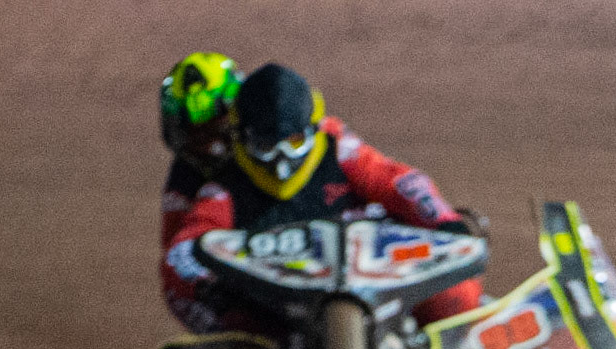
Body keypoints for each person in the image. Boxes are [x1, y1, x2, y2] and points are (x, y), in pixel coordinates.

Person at [160, 63, 483, 335]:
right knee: (236, 337)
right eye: (266, 145)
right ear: (242, 135)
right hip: (280, 300)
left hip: (376, 268)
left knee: (458, 294)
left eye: (294, 141)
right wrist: (208, 286)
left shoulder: (337, 147)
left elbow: (398, 182)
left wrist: (444, 221)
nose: (281, 159)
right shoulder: (217, 187)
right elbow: (180, 251)